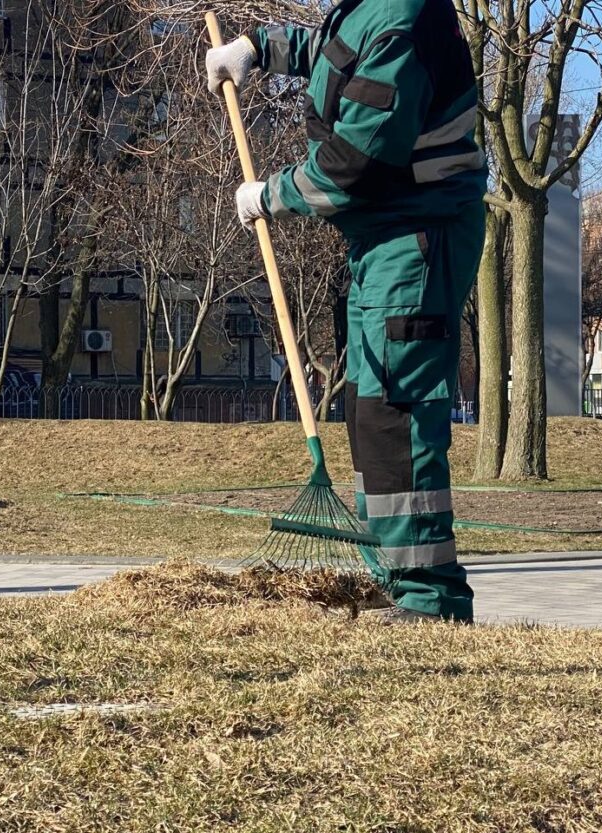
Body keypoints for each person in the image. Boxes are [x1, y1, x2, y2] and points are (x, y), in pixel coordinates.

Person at [207, 0, 487, 623]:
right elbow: (328, 51)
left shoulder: (401, 22)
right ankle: (399, 579)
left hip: (418, 237)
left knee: (397, 412)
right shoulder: (367, 11)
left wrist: (268, 196)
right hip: (380, 241)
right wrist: (259, 48)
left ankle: (430, 599)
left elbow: (350, 167)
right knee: (370, 411)